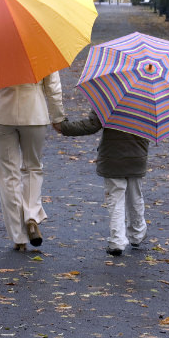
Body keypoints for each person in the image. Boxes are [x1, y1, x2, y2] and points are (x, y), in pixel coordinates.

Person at [0, 72, 66, 251]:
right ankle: (31, 215)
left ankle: (18, 236)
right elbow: (53, 86)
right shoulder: (44, 46)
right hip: (34, 112)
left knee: (8, 174)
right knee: (33, 167)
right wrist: (58, 117)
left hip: (1, 113)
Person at [57, 110, 149, 257]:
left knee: (115, 197)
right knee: (135, 195)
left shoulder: (108, 97)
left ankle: (117, 240)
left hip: (113, 156)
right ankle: (137, 234)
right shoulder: (149, 101)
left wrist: (64, 127)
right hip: (137, 155)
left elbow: (92, 125)